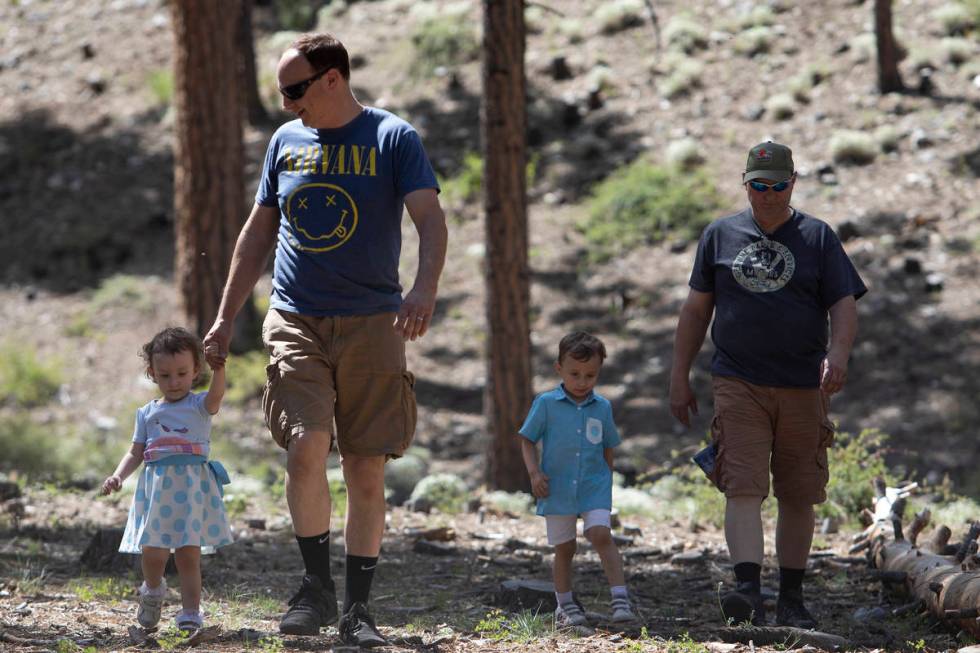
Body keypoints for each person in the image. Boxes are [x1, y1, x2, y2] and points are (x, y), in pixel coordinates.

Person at [203, 32, 447, 647]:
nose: (287, 105)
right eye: (282, 92)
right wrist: (226, 316)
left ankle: (357, 609)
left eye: (295, 90)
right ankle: (315, 587)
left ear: (332, 79)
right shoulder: (285, 142)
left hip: (373, 322)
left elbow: (431, 220)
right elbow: (257, 236)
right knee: (306, 446)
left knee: (366, 468)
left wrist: (423, 290)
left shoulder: (394, 139)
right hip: (296, 317)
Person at [669, 141, 867, 628]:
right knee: (743, 485)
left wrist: (836, 355)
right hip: (738, 381)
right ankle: (748, 593)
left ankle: (792, 597)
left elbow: (844, 303)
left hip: (803, 383)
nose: (768, 195)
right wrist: (679, 376)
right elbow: (697, 310)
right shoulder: (720, 235)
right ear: (746, 185)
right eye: (759, 186)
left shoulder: (818, 237)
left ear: (793, 183)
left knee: (799, 492)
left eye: (777, 185)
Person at [102, 327, 233, 633]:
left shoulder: (199, 406)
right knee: (153, 551)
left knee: (189, 555)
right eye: (165, 375)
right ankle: (152, 591)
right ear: (152, 374)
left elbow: (217, 395)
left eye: (182, 373)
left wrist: (221, 369)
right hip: (158, 490)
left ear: (195, 371)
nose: (174, 382)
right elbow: (136, 451)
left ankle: (190, 612)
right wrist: (118, 476)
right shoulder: (148, 413)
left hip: (191, 492)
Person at [519, 331, 636, 627]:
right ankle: (565, 605)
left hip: (594, 486)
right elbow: (527, 440)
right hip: (556, 488)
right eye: (575, 374)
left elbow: (609, 445)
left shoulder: (603, 407)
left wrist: (606, 481)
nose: (582, 382)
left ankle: (620, 599)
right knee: (565, 548)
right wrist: (534, 474)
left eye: (590, 375)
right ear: (558, 369)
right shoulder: (545, 403)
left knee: (600, 534)